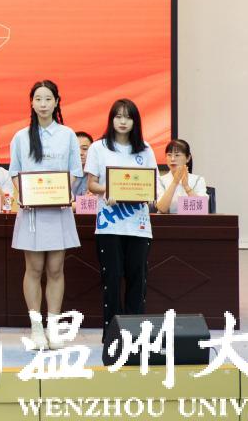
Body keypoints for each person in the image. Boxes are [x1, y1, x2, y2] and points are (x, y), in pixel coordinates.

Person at [7, 80, 84, 350]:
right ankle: (36, 328)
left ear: (56, 102)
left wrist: (61, 193)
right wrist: (25, 194)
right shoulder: (21, 137)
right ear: (31, 102)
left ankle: (53, 326)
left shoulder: (67, 135)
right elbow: (14, 172)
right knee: (34, 268)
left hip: (58, 210)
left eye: (48, 99)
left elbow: (75, 171)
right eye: (38, 99)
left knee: (56, 268)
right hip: (32, 212)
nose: (43, 104)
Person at [84, 98, 157, 329]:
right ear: (111, 119)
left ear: (135, 121)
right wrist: (107, 190)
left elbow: (152, 185)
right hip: (109, 226)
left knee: (138, 280)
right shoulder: (98, 147)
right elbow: (91, 184)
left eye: (128, 117)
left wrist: (146, 194)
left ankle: (135, 335)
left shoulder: (145, 149)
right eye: (118, 116)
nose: (123, 121)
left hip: (139, 226)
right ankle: (112, 334)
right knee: (112, 280)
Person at [154, 139, 208, 214]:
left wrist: (186, 186)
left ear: (188, 158)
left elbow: (201, 207)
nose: (172, 159)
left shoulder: (198, 180)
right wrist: (175, 182)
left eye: (177, 155)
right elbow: (162, 209)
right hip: (166, 221)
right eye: (169, 155)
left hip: (191, 220)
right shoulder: (160, 180)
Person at [73, 132, 94, 197]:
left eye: (84, 149)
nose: (80, 153)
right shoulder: (62, 176)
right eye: (75, 149)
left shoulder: (98, 174)